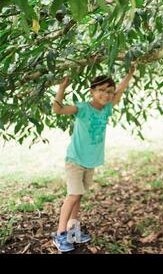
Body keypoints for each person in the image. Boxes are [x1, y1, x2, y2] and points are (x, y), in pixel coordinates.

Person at [51, 65, 135, 252]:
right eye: (102, 90)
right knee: (72, 196)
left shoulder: (107, 109)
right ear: (92, 91)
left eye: (109, 92)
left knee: (79, 195)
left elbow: (120, 90)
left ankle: (73, 230)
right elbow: (57, 110)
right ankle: (60, 234)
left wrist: (129, 73)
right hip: (75, 159)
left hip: (90, 161)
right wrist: (62, 88)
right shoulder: (82, 108)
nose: (106, 94)